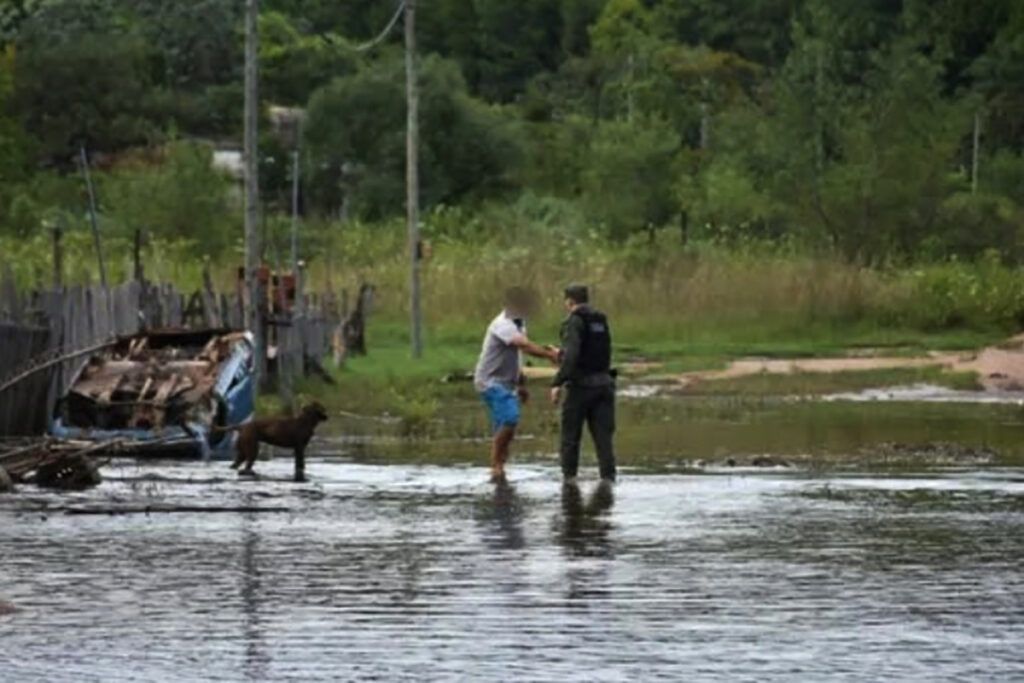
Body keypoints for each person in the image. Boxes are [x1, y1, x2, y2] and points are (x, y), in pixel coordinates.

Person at [475, 287, 559, 480]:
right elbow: (524, 346)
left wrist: (521, 384)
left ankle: (499, 468)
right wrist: (550, 355)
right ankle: (496, 465)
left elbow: (516, 356)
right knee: (510, 419)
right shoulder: (502, 324)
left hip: (506, 382)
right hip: (490, 380)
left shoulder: (519, 323)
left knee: (502, 424)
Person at [550, 284, 617, 483]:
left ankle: (569, 483)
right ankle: (609, 481)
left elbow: (573, 356)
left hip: (581, 388)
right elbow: (597, 351)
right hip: (604, 385)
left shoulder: (574, 321)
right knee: (604, 440)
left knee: (570, 438)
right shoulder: (600, 319)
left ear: (569, 301)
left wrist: (557, 382)